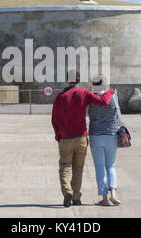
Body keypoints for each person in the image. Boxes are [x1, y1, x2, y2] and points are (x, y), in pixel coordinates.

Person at [52, 70, 115, 208]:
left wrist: (58, 135)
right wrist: (110, 91)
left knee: (65, 167)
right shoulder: (84, 93)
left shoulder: (60, 97)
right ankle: (76, 198)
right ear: (79, 81)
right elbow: (103, 102)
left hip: (65, 138)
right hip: (81, 137)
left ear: (67, 80)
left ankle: (67, 191)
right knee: (78, 168)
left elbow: (54, 120)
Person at [88, 75, 125, 206]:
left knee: (99, 168)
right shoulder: (113, 96)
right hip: (112, 134)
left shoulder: (91, 98)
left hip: (96, 135)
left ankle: (104, 199)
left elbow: (88, 114)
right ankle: (113, 193)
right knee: (110, 165)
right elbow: (117, 113)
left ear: (93, 85)